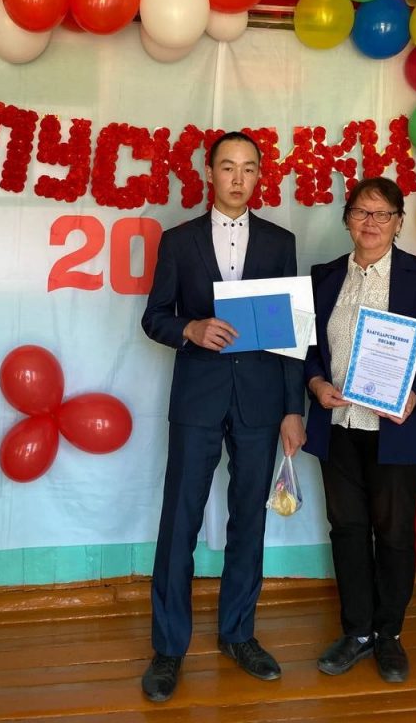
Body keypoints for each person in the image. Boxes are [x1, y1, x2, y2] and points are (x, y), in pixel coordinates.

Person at [140, 131, 306, 702]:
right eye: (228, 167)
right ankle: (168, 648)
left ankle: (239, 634)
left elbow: (291, 334)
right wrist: (189, 327)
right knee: (179, 519)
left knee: (249, 520)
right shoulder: (178, 240)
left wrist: (293, 408)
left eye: (249, 168)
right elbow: (154, 316)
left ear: (260, 176)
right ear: (209, 172)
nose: (238, 178)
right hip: (198, 397)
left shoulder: (281, 242)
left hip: (261, 399)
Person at [303, 177, 416, 684]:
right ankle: (357, 632)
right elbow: (309, 347)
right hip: (338, 424)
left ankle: (389, 634)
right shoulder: (323, 277)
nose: (371, 223)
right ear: (347, 218)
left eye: (382, 214)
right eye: (361, 212)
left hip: (396, 428)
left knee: (393, 534)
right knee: (347, 529)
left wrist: (415, 395)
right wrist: (316, 383)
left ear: (398, 222)